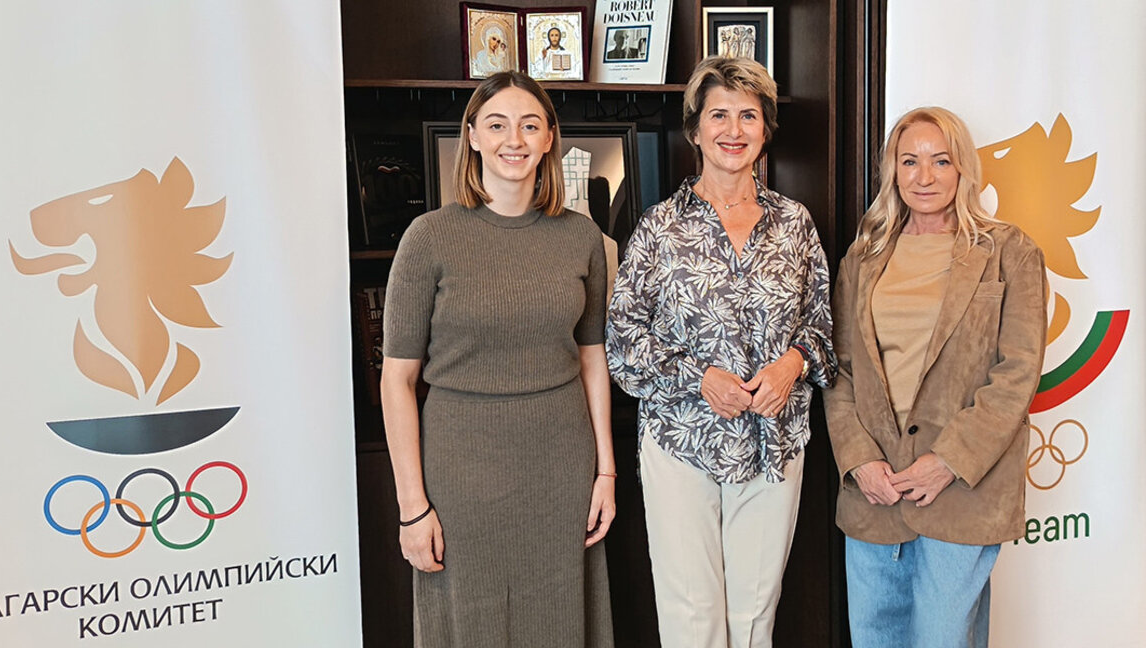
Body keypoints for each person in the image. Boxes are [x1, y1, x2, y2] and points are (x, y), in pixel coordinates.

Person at [606, 56, 836, 648]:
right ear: (694, 128)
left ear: (765, 129)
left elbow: (822, 327)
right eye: (719, 115)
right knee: (692, 616)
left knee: (755, 616)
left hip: (772, 442)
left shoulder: (795, 224)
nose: (734, 130)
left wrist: (792, 365)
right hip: (681, 443)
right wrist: (698, 377)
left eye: (748, 116)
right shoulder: (659, 228)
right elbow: (624, 341)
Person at [381, 71, 616, 648]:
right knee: (469, 623)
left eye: (530, 125)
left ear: (549, 138)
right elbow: (397, 380)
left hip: (561, 466)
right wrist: (411, 506)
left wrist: (606, 473)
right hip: (459, 471)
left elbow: (593, 359)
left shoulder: (582, 238)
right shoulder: (427, 238)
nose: (514, 139)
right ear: (473, 136)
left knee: (560, 621)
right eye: (497, 124)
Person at [823, 106, 1047, 648]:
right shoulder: (863, 258)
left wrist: (947, 462)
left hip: (961, 492)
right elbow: (840, 371)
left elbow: (1016, 375)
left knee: (943, 638)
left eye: (940, 161)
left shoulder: (1009, 252)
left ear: (963, 168)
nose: (924, 176)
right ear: (893, 172)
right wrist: (859, 460)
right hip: (875, 494)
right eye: (910, 161)